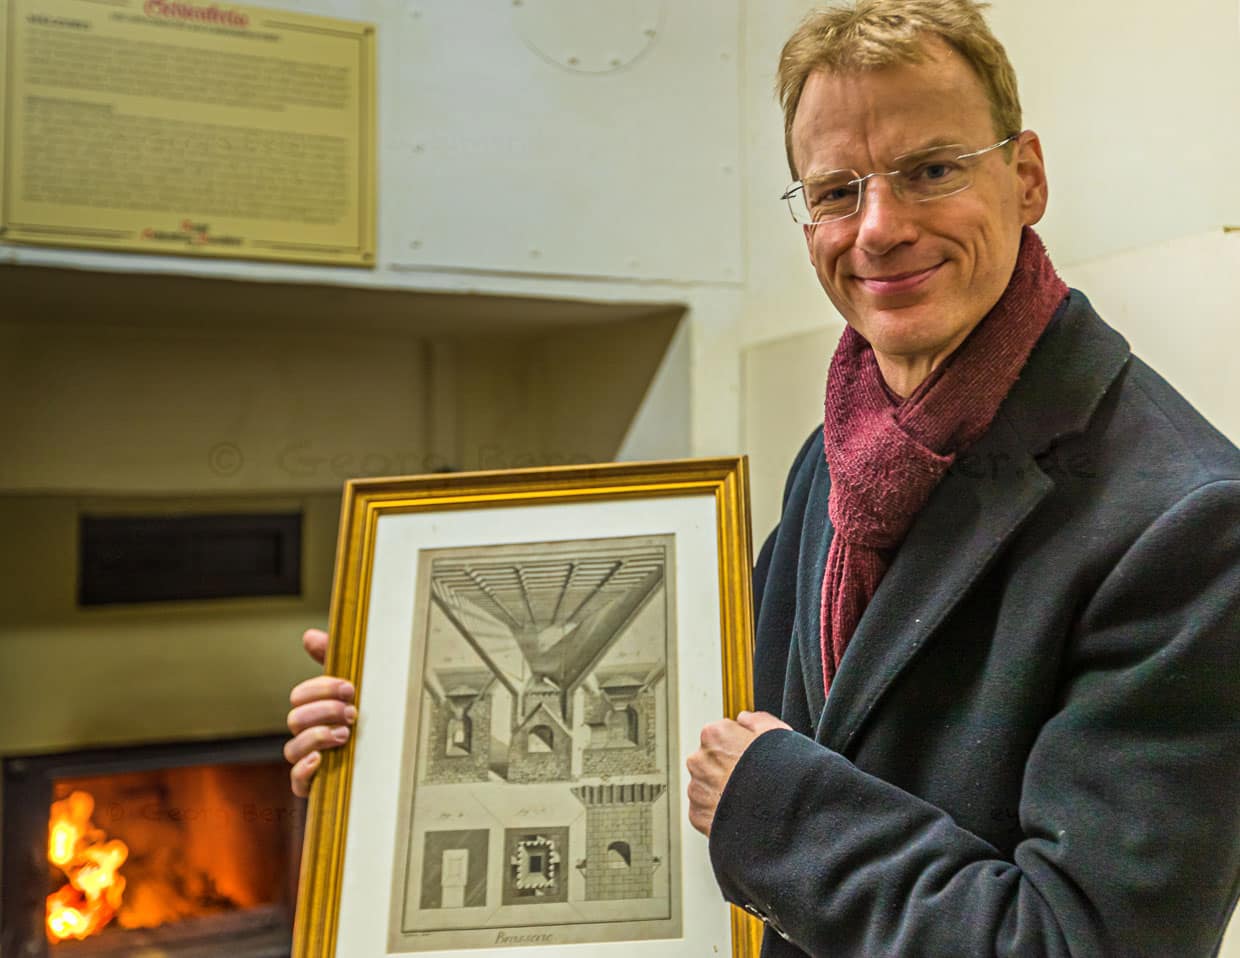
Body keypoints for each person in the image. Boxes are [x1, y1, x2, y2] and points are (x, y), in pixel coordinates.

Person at [286, 1, 1240, 954]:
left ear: (1025, 176)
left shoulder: (1189, 523)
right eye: (835, 192)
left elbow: (1078, 940)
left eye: (932, 171)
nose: (878, 229)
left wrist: (778, 804)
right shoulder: (835, 456)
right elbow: (695, 734)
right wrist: (412, 734)